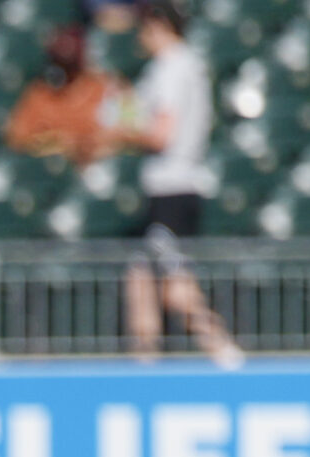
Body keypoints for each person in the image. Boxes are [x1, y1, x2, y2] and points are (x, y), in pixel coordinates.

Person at [106, 1, 238, 365]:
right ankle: (144, 355)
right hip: (177, 185)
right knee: (140, 271)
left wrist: (121, 130)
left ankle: (221, 349)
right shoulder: (187, 65)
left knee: (175, 283)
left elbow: (161, 133)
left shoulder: (170, 67)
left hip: (172, 186)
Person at [3, 24, 122, 166]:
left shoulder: (108, 86)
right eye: (60, 63)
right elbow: (16, 138)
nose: (65, 71)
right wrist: (57, 141)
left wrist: (87, 143)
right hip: (55, 171)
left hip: (101, 168)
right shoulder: (40, 92)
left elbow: (129, 130)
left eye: (70, 65)